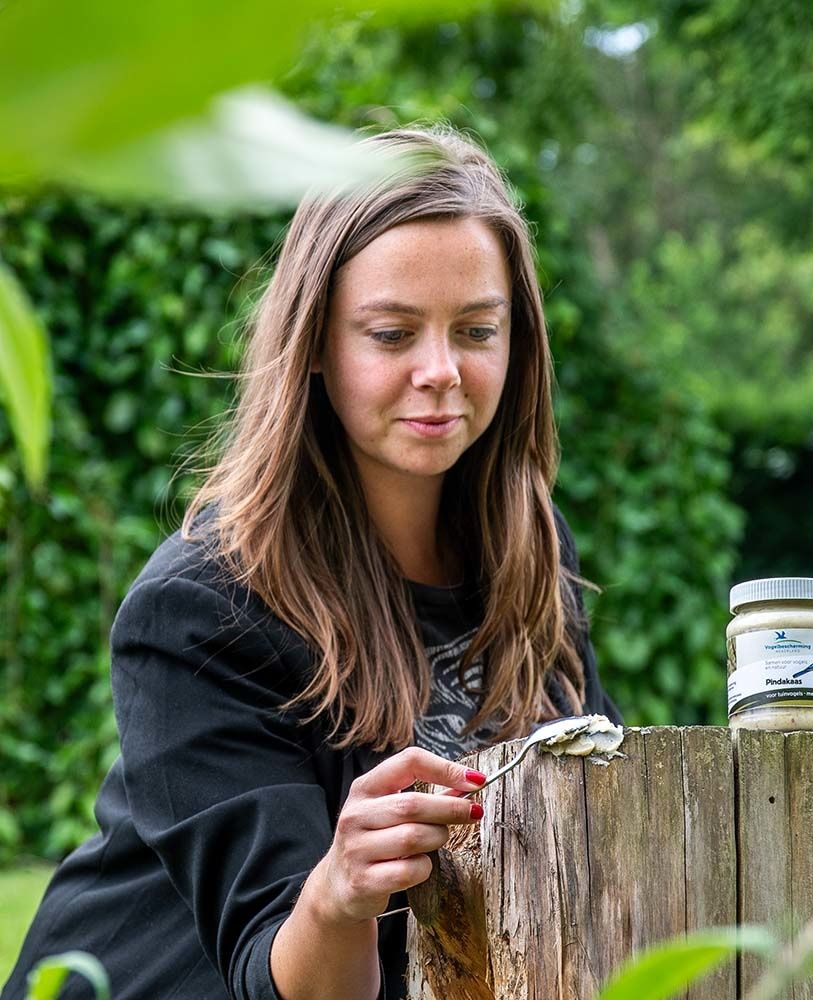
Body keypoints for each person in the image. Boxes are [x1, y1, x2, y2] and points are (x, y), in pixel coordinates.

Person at [2, 125, 622, 1000]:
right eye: (392, 333)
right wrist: (340, 893)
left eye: (477, 330)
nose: (441, 370)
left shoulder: (532, 547)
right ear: (319, 349)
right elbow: (277, 976)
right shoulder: (202, 606)